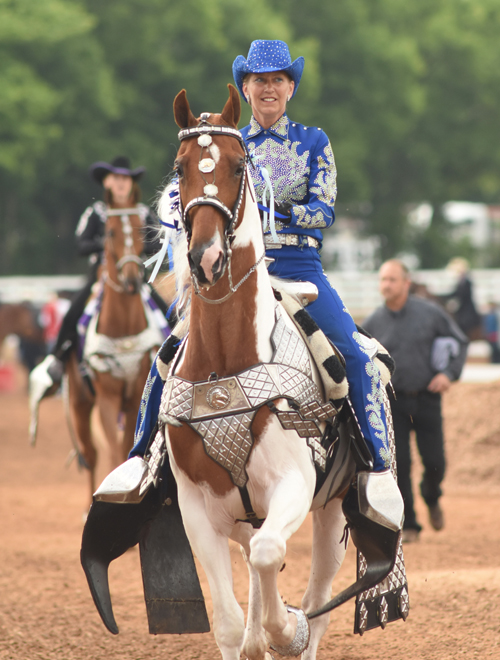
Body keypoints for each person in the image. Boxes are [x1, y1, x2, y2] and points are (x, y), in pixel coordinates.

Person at [232, 40, 392, 473]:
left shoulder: (313, 141)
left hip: (298, 267)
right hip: (238, 272)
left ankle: (377, 469)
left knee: (355, 356)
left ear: (290, 89)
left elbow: (324, 209)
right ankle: (145, 464)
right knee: (169, 350)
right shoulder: (228, 145)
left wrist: (282, 211)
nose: (268, 88)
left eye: (277, 80)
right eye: (259, 80)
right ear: (244, 88)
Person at [30, 156, 170, 403]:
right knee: (74, 311)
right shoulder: (96, 212)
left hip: (136, 278)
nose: (121, 183)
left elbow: (157, 242)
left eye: (126, 179)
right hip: (101, 278)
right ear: (106, 182)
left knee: (169, 313)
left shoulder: (142, 212)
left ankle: (183, 354)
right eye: (116, 178)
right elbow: (81, 244)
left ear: (132, 184)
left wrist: (134, 247)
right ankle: (57, 360)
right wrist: (106, 244)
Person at [363, 259, 468, 542]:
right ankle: (410, 525)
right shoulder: (372, 322)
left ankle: (432, 496)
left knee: (435, 462)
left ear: (406, 283)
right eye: (383, 279)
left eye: (392, 280)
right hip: (392, 404)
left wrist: (448, 373)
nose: (386, 285)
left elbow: (460, 343)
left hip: (427, 399)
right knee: (401, 464)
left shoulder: (431, 313)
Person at [440, 257, 482, 340]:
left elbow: (460, 295)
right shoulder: (460, 281)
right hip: (462, 306)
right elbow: (455, 293)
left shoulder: (467, 282)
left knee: (463, 320)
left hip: (467, 309)